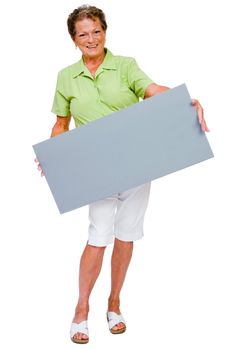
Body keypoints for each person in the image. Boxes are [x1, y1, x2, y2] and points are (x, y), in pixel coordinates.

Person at [35, 4, 209, 344]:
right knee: (98, 234)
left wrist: (186, 100)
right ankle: (81, 309)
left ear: (105, 32)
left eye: (96, 31)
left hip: (135, 163)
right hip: (95, 168)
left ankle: (114, 302)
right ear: (74, 39)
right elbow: (61, 123)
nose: (91, 38)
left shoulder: (125, 65)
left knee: (126, 234)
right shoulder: (66, 76)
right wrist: (55, 156)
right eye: (83, 33)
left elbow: (151, 90)